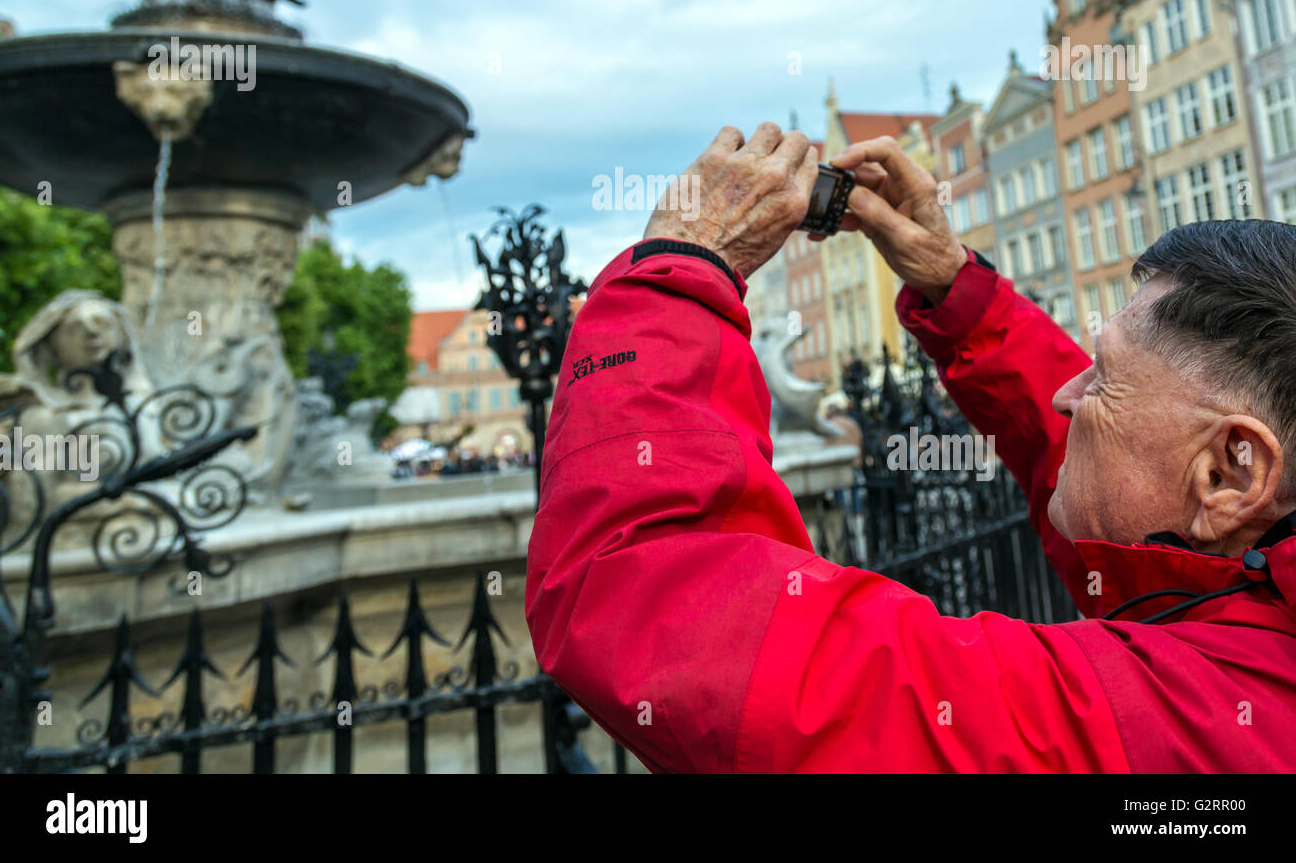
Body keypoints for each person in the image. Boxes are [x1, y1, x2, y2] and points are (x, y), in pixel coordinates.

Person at [525, 123, 1296, 773]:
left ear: (1234, 472)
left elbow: (648, 593)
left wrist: (679, 272)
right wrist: (959, 295)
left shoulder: (1161, 733)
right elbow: (1127, 462)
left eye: (1105, 376)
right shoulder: (1249, 616)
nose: (1069, 395)